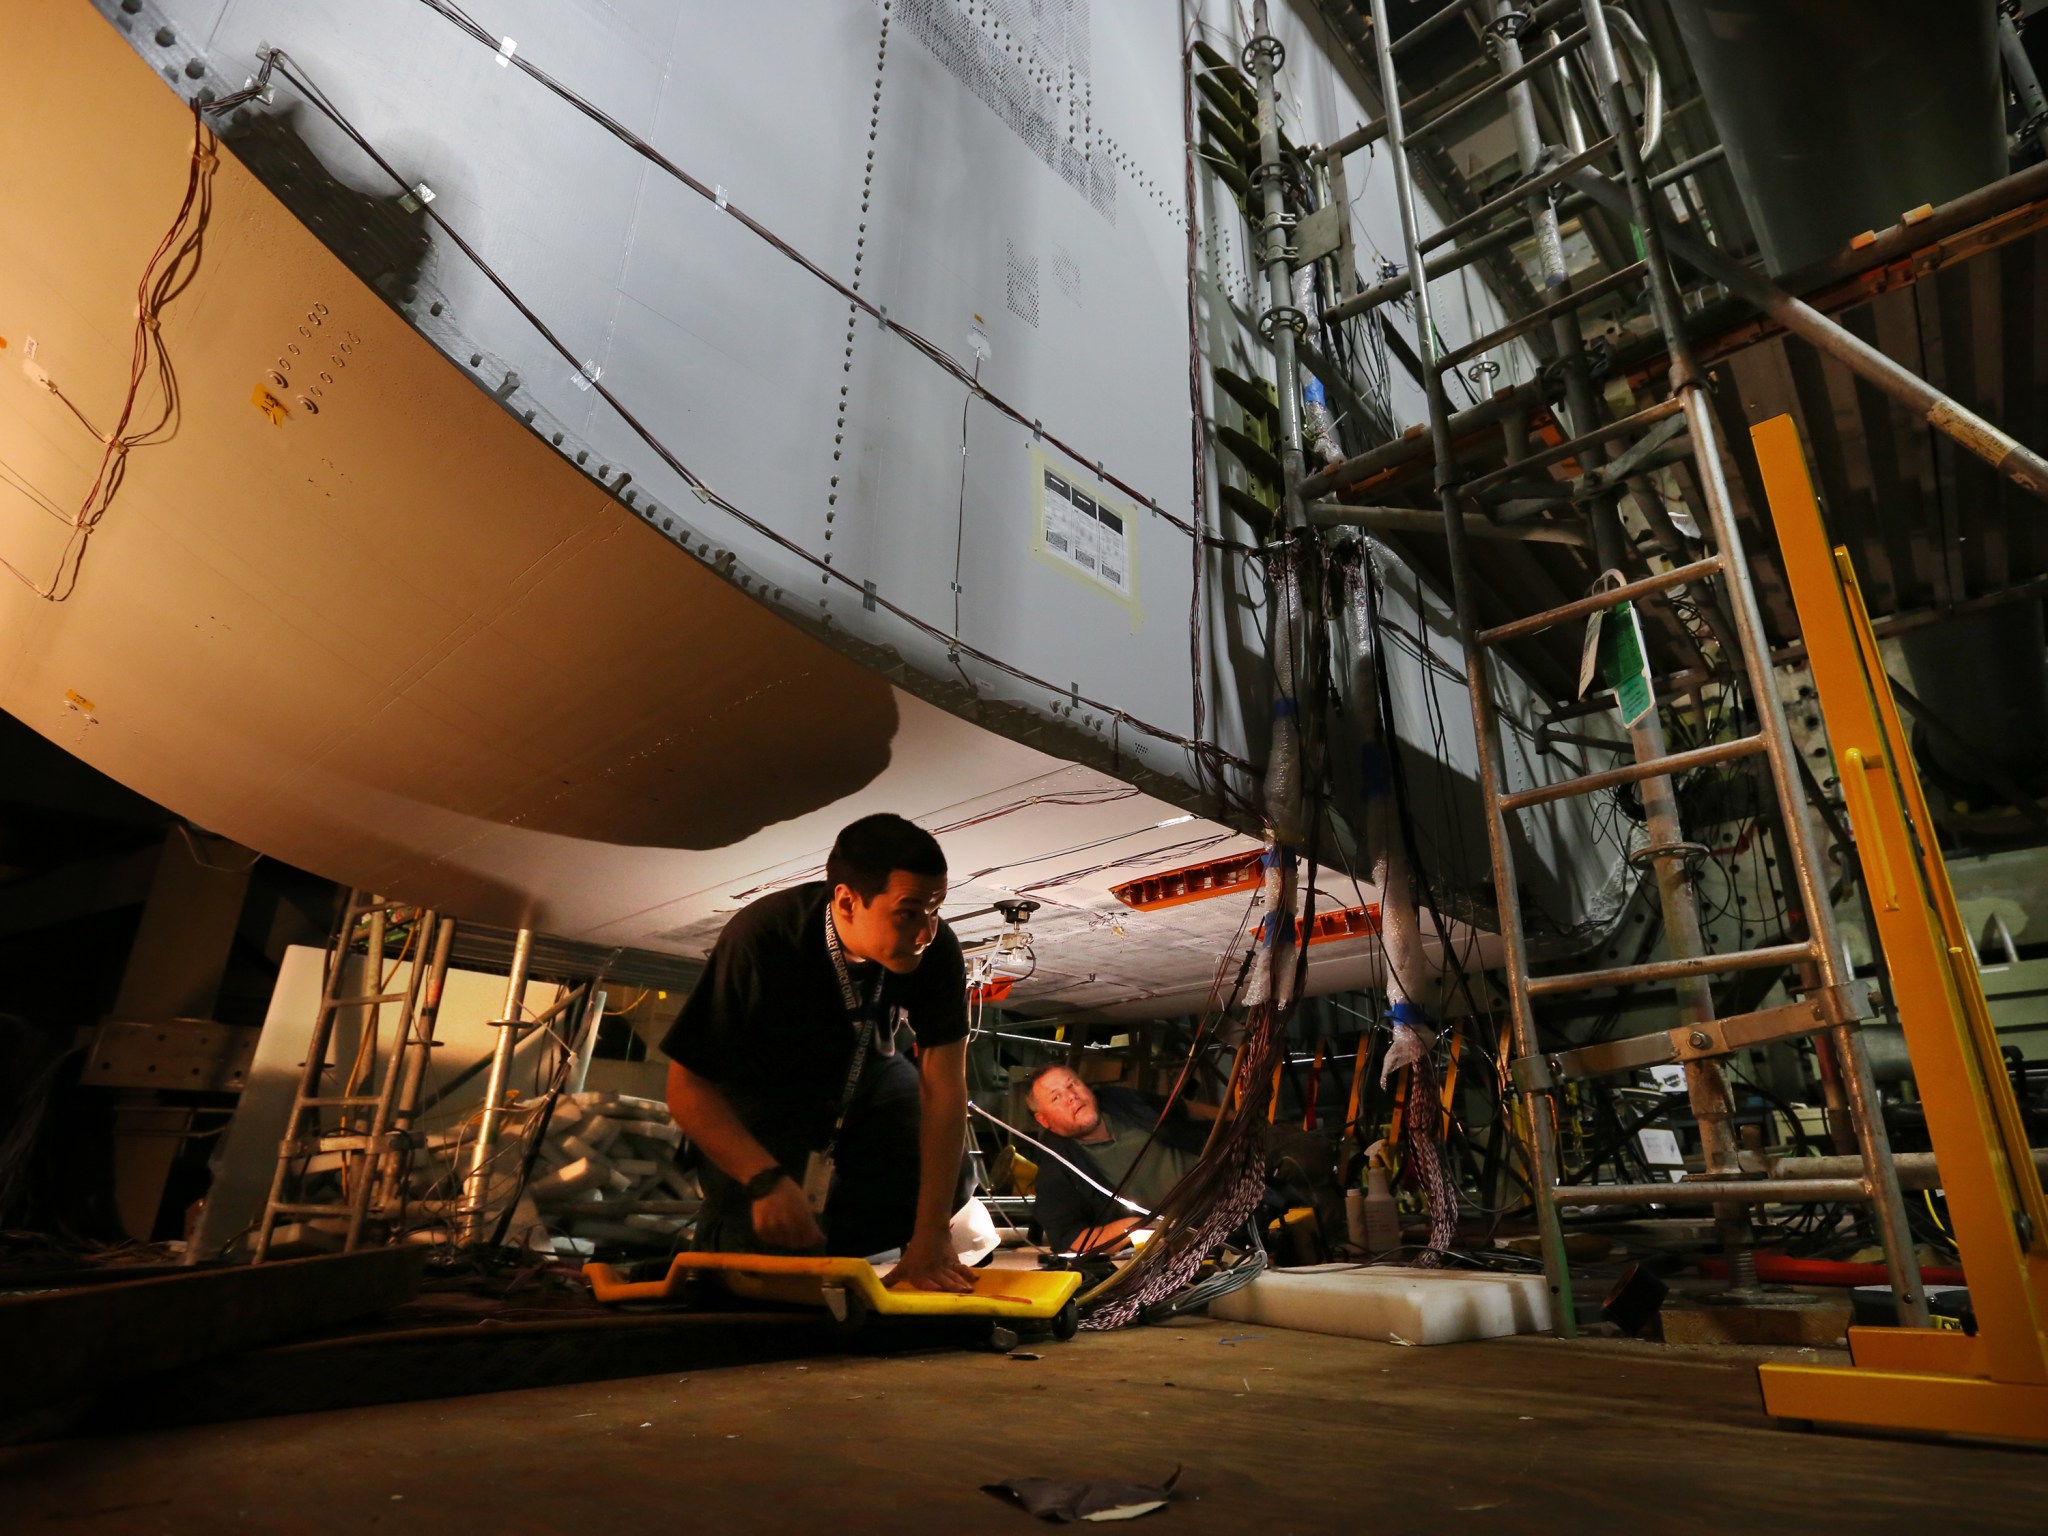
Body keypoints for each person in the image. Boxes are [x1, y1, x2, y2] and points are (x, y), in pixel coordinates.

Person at [661, 813, 979, 1293]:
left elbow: (945, 1087)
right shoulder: (764, 937)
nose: (926, 932)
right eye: (909, 912)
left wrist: (930, 1233)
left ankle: (877, 1255)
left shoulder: (936, 950)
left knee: (948, 1163)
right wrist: (764, 1180)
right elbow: (686, 1088)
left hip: (864, 1077)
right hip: (763, 1093)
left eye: (935, 911)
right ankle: (742, 1241)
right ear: (848, 902)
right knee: (766, 1251)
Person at [1022, 1064, 1216, 1254]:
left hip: (1228, 1171)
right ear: (1043, 1120)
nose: (1071, 1096)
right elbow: (1068, 1239)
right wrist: (1133, 1227)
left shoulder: (1117, 1101)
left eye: (1072, 1085)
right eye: (1056, 1097)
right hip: (1201, 1225)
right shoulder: (1057, 1165)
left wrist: (1238, 1116)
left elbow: (1182, 1109)